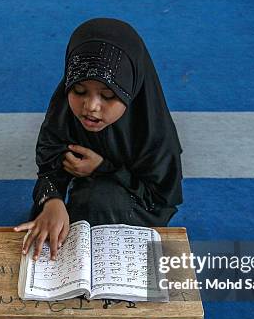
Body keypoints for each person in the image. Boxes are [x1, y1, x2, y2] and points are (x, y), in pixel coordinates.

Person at [15, 18, 183, 261]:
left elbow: (161, 199)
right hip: (89, 192)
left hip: (135, 201)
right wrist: (51, 199)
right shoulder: (63, 111)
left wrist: (105, 168)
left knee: (98, 201)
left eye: (108, 95)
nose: (91, 107)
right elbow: (49, 166)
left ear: (131, 91)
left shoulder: (153, 134)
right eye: (79, 91)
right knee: (55, 219)